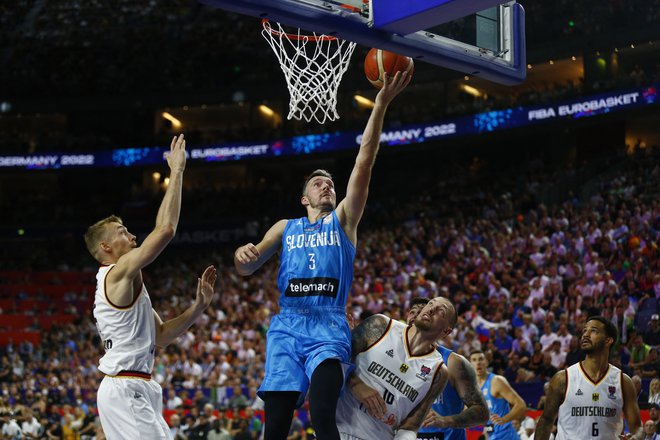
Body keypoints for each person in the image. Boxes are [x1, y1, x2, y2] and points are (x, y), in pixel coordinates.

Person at [234, 72, 411, 440]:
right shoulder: (285, 227)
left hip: (328, 326)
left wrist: (380, 104)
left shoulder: (344, 220)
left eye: (329, 181)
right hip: (287, 326)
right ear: (305, 199)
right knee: (276, 424)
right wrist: (242, 254)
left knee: (322, 412)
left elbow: (364, 163)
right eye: (318, 183)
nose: (326, 184)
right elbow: (247, 267)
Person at [84, 134, 219, 440]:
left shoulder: (127, 282)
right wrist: (178, 172)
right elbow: (166, 230)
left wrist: (198, 307)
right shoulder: (116, 274)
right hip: (125, 385)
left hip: (137, 385)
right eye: (122, 231)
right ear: (106, 246)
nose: (131, 235)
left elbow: (162, 336)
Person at [335, 297, 452, 439]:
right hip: (338, 429)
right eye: (431, 303)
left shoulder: (439, 371)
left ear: (446, 331)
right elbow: (334, 361)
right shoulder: (380, 326)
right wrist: (356, 384)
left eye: (441, 311)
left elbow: (411, 425)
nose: (431, 309)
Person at [535, 316, 643, 440]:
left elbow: (638, 428)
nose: (585, 335)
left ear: (608, 341)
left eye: (593, 331)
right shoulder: (563, 379)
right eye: (584, 330)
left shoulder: (623, 382)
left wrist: (635, 438)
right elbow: (546, 420)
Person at [403, 297, 488, 440]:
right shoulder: (393, 354)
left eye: (439, 311)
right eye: (412, 312)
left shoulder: (453, 362)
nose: (415, 316)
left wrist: (446, 421)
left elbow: (482, 413)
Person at [470, 350, 526, 440]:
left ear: (487, 363)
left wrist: (504, 419)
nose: (478, 363)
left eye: (481, 359)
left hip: (506, 436)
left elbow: (521, 405)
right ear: (470, 365)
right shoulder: (472, 387)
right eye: (474, 360)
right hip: (491, 436)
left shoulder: (496, 381)